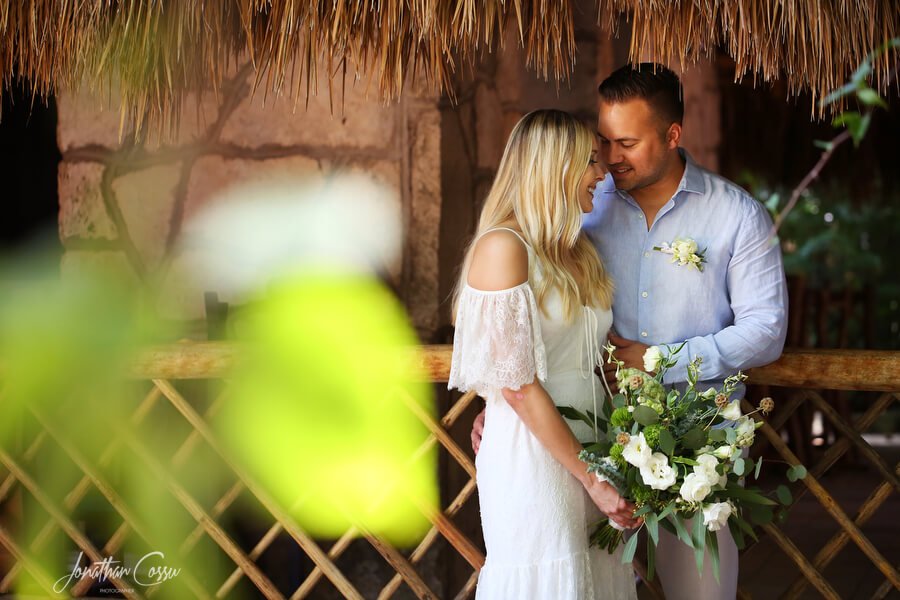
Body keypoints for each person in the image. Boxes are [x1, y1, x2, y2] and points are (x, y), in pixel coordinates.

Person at [474, 64, 789, 599]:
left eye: (627, 142)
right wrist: (504, 398)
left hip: (694, 442)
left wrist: (660, 360)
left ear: (672, 136)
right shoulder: (581, 211)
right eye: (604, 143)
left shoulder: (736, 216)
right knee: (581, 583)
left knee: (699, 594)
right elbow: (542, 317)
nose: (609, 160)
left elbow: (766, 331)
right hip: (590, 438)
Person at [449, 109, 639, 600]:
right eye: (590, 161)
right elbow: (517, 382)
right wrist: (592, 478)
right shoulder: (502, 248)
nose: (602, 174)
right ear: (553, 166)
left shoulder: (577, 251)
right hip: (535, 458)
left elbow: (592, 353)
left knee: (598, 580)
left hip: (595, 440)